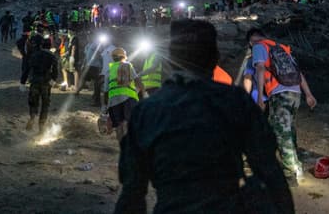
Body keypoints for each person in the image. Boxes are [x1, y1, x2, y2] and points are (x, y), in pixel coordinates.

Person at [115, 20, 293, 214]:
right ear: (215, 58)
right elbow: (271, 174)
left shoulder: (147, 111)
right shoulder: (236, 102)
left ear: (169, 59)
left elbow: (132, 194)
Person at [247, 27, 317, 187]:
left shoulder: (258, 46)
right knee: (289, 130)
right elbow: (299, 73)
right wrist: (308, 94)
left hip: (280, 94)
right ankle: (296, 166)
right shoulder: (282, 48)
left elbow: (259, 69)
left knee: (280, 133)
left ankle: (289, 175)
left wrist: (259, 98)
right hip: (295, 93)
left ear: (251, 41)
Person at [19, 35, 59, 134]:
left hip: (34, 81)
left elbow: (27, 69)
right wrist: (53, 80)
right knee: (45, 104)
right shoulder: (51, 55)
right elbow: (55, 70)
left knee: (33, 102)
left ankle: (32, 117)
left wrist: (23, 82)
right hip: (46, 82)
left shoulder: (33, 55)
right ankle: (41, 127)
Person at [104, 47, 143, 142]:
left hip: (113, 101)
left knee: (118, 125)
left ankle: (122, 146)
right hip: (128, 99)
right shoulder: (127, 66)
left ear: (113, 58)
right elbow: (138, 82)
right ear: (124, 56)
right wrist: (141, 93)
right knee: (129, 122)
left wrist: (105, 106)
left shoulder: (109, 71)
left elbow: (105, 91)